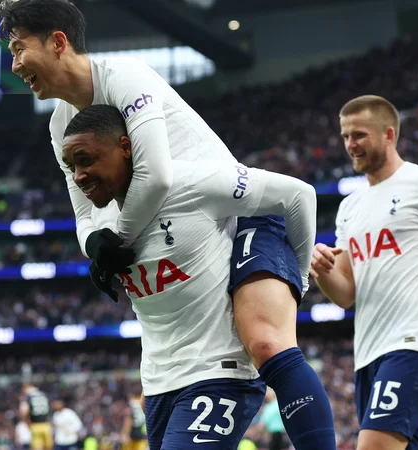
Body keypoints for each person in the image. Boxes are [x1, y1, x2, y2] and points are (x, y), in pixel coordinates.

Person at [0, 3, 334, 447]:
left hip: (240, 214)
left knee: (266, 343)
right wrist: (94, 247)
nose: (14, 63)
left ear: (58, 42)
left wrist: (116, 239)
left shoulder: (125, 79)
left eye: (20, 48)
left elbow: (156, 176)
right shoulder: (63, 124)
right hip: (183, 236)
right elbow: (84, 214)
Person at [59, 104, 330, 449]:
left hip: (219, 372)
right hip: (160, 385)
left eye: (86, 159)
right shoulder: (102, 223)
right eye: (72, 166)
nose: (79, 174)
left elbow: (297, 195)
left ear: (125, 147)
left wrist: (299, 281)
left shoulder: (186, 183)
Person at [309, 95, 418, 450]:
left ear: (389, 134)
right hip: (368, 354)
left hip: (411, 343)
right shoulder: (349, 207)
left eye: (359, 135)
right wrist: (322, 271)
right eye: (345, 136)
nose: (350, 145)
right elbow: (346, 295)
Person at [20, 385, 53, 450]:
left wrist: (26, 421)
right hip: (46, 424)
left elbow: (24, 411)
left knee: (36, 446)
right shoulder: (44, 395)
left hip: (35, 425)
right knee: (48, 446)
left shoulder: (29, 397)